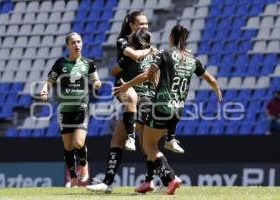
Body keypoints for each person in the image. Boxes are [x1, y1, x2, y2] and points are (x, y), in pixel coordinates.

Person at [114, 24, 223, 195]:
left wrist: (125, 85)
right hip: (178, 111)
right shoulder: (192, 59)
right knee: (150, 140)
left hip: (160, 107)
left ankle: (172, 179)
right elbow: (210, 79)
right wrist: (217, 91)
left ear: (171, 37)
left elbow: (146, 75)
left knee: (148, 146)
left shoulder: (164, 54)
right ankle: (148, 181)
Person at [86, 11, 159, 193]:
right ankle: (108, 183)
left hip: (146, 97)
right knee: (118, 141)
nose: (144, 27)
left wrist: (115, 69)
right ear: (131, 25)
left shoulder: (149, 45)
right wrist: (151, 51)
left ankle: (164, 178)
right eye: (140, 24)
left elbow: (143, 69)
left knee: (146, 146)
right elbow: (133, 57)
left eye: (146, 24)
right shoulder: (124, 41)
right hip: (133, 94)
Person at [40, 32, 102, 187]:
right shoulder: (60, 63)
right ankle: (73, 177)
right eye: (73, 42)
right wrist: (44, 90)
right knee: (68, 147)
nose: (77, 45)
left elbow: (96, 79)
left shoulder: (89, 63)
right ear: (68, 45)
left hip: (82, 108)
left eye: (79, 41)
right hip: (65, 110)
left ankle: (84, 166)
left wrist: (97, 84)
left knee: (79, 143)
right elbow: (49, 81)